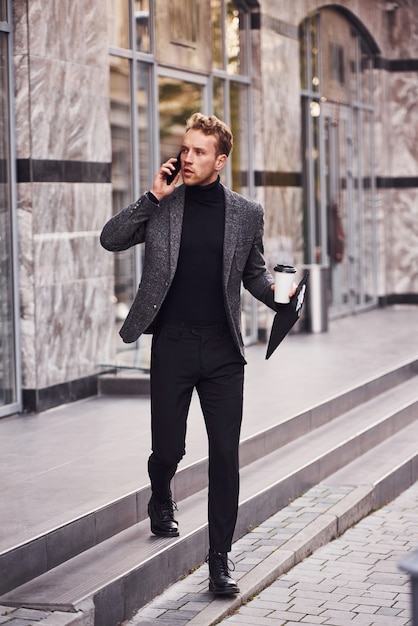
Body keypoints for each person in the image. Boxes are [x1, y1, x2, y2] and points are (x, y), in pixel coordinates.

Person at [100, 113, 291, 596]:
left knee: (225, 455)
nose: (187, 158)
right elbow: (111, 238)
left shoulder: (247, 213)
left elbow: (253, 273)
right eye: (185, 149)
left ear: (220, 160)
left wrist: (281, 296)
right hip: (174, 344)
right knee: (170, 448)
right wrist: (151, 197)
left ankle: (219, 559)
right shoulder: (164, 204)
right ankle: (160, 493)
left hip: (224, 350)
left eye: (199, 152)